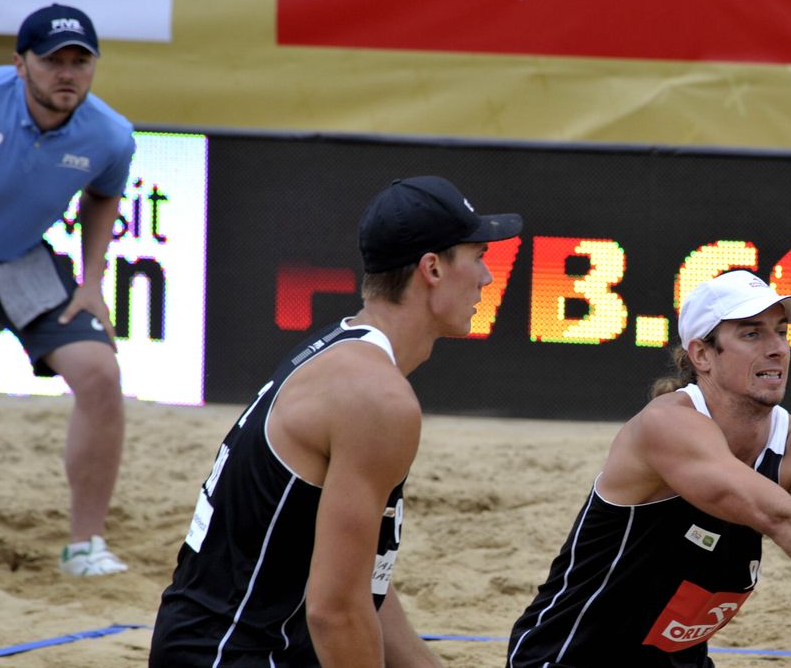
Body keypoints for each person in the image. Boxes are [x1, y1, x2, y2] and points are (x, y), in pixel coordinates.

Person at [149, 176, 523, 667]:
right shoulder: (376, 398)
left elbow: (363, 588)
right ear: (432, 267)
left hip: (215, 642)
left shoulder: (344, 350)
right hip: (232, 655)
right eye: (478, 258)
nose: (486, 278)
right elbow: (336, 613)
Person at [507, 269, 791, 668]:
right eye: (752, 334)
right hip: (570, 657)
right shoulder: (667, 424)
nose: (777, 348)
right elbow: (780, 516)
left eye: (780, 332)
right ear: (701, 355)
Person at [0, 4, 135, 576]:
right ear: (21, 64)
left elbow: (103, 194)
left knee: (100, 373)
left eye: (80, 61)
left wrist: (93, 280)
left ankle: (84, 547)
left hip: (17, 255)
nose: (66, 73)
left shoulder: (110, 136)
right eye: (53, 61)